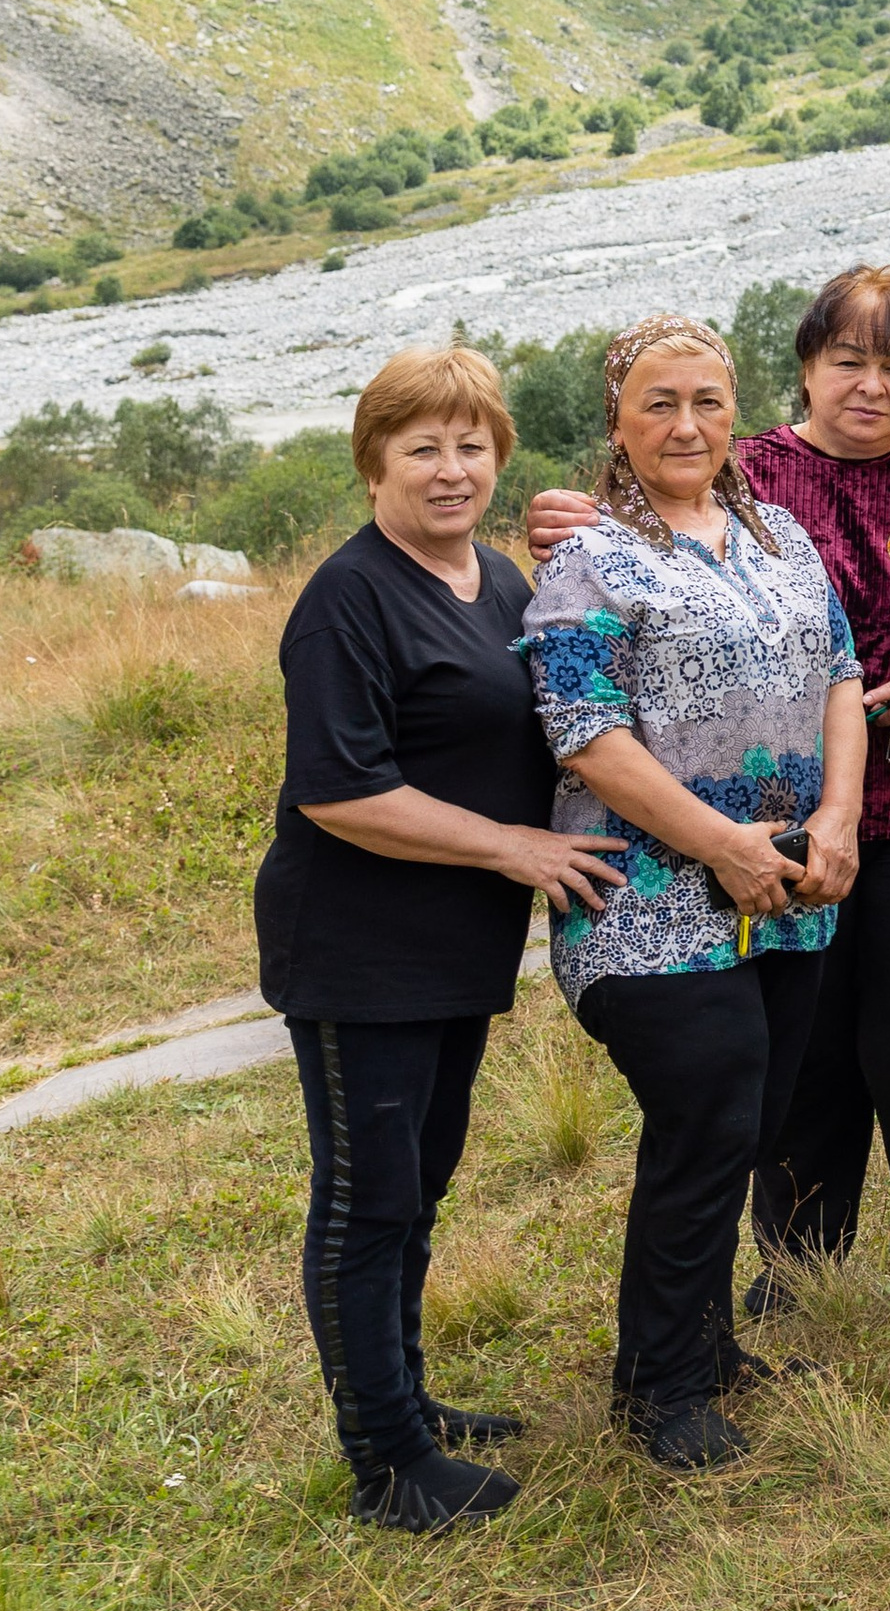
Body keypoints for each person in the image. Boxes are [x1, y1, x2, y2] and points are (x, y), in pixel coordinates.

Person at [532, 264, 890, 1299]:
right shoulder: (743, 477)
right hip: (766, 832)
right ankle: (797, 1266)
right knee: (801, 1055)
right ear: (803, 369)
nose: (869, 384)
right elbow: (619, 547)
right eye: (847, 360)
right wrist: (562, 519)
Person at [256, 344, 625, 1532]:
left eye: (472, 445)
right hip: (359, 947)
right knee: (368, 1201)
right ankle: (387, 1462)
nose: (451, 469)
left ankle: (407, 1402)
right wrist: (513, 849)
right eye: (423, 448)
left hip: (453, 946)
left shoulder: (502, 580)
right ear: (376, 462)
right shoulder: (346, 600)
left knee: (420, 1188)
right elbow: (338, 790)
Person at [523, 315, 865, 1470]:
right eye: (659, 403)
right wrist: (721, 843)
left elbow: (842, 677)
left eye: (708, 401)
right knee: (708, 1111)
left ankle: (706, 1347)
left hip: (787, 884)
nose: (687, 425)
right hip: (649, 897)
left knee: (757, 1121)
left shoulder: (778, 539)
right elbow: (584, 734)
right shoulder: (591, 558)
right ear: (618, 420)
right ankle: (658, 1390)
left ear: (736, 411)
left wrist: (838, 820)